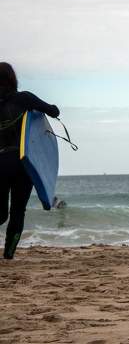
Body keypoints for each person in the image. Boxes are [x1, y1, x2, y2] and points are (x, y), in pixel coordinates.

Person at [0, 62, 60, 260]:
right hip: (23, 162)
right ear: (12, 79)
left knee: (0, 214)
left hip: (1, 162)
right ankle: (9, 253)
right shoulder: (24, 98)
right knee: (18, 209)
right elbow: (53, 111)